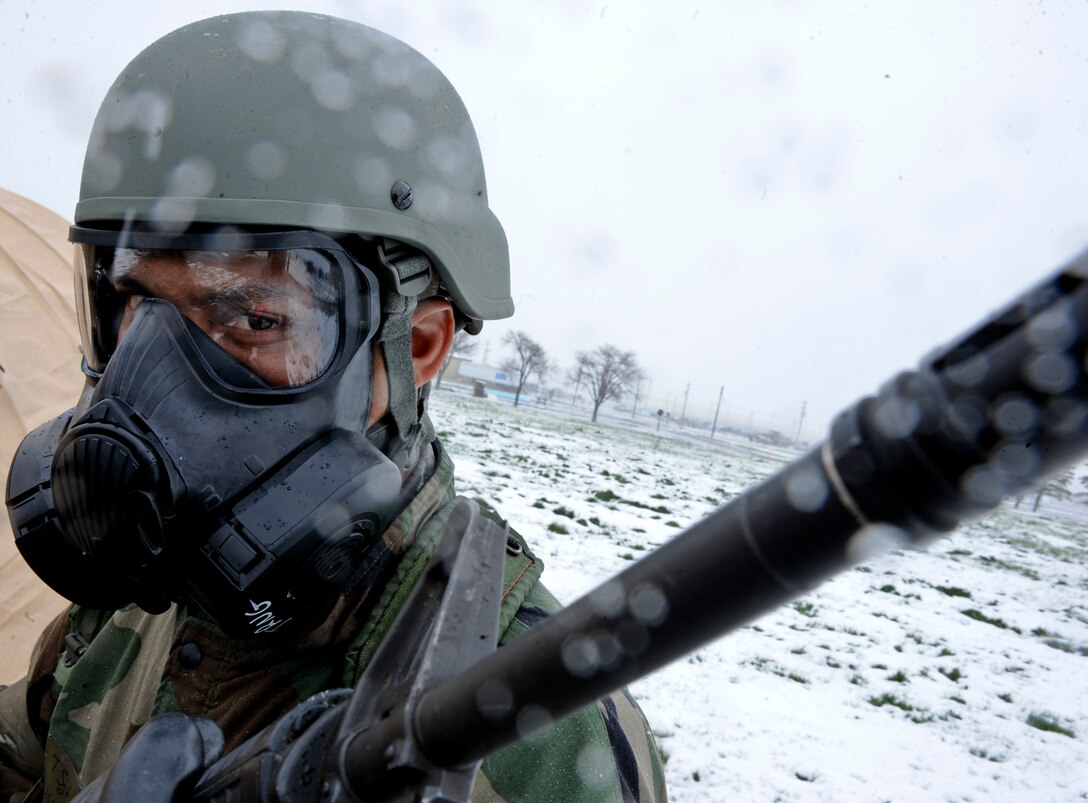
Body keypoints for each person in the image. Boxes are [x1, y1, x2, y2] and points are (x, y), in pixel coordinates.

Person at [0, 11, 666, 802]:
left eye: (253, 319)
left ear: (418, 345)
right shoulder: (130, 604)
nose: (151, 381)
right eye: (133, 308)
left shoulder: (536, 732)